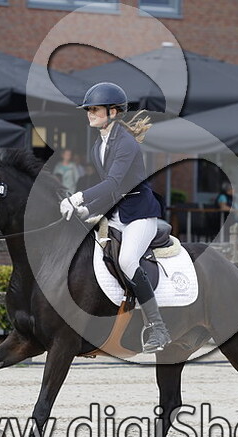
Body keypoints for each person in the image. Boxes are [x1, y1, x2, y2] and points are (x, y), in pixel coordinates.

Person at [60, 81, 171, 352]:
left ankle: (158, 328)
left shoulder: (126, 143)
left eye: (95, 109)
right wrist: (88, 210)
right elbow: (112, 191)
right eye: (88, 110)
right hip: (116, 214)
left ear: (112, 112)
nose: (90, 113)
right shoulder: (97, 146)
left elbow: (113, 183)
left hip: (139, 216)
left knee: (127, 260)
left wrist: (78, 198)